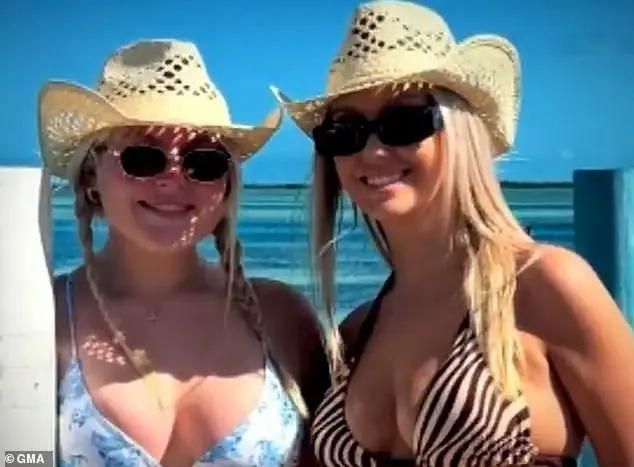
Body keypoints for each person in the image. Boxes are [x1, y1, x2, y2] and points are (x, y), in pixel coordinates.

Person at [271, 1, 634, 466]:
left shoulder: (543, 286)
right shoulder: (358, 331)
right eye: (346, 131)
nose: (373, 150)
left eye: (403, 122)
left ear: (460, 131)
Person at [39, 39, 322, 466]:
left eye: (203, 161)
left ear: (225, 184)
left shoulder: (282, 317)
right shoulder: (42, 320)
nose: (173, 178)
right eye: (143, 157)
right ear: (93, 176)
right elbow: (15, 453)